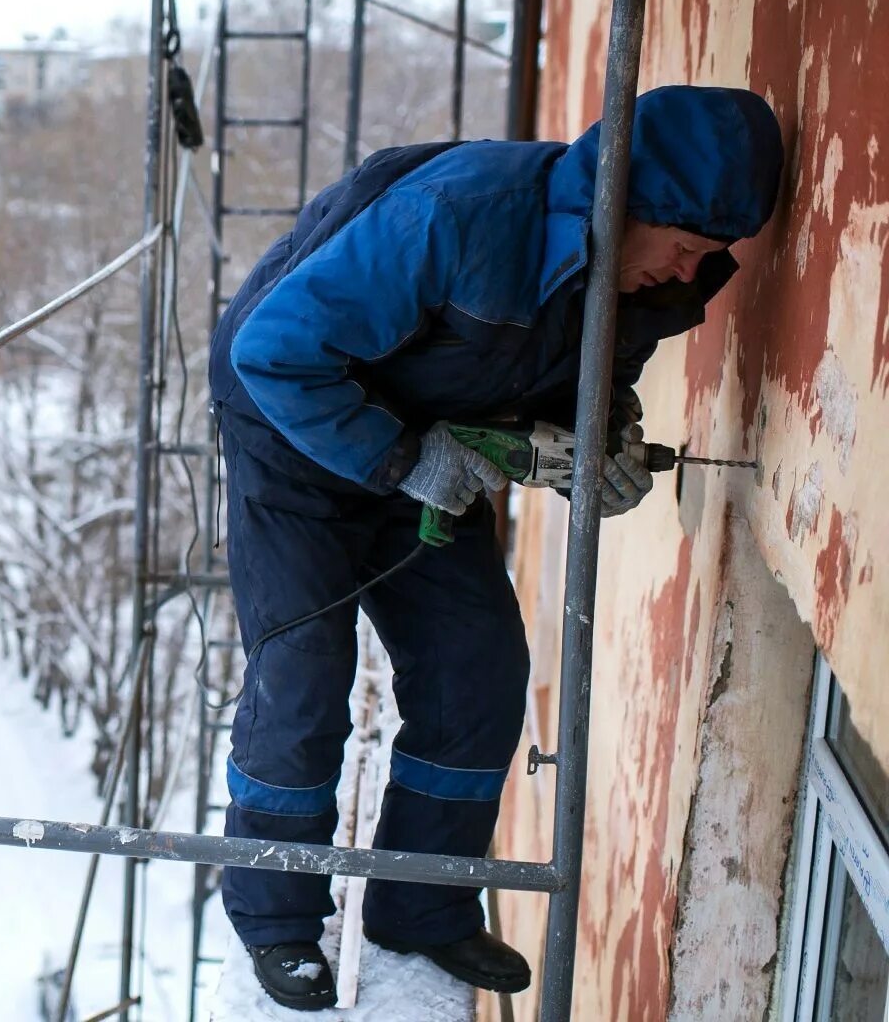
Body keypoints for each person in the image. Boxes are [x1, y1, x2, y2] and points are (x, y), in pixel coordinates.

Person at [207, 85, 783, 1009]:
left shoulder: (654, 274)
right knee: (304, 674)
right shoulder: (463, 216)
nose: (691, 268)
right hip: (297, 433)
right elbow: (275, 352)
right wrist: (403, 457)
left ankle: (422, 909)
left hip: (433, 436)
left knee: (476, 669)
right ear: (621, 201)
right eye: (684, 241)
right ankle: (276, 919)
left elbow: (585, 379)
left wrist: (603, 438)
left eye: (714, 255)